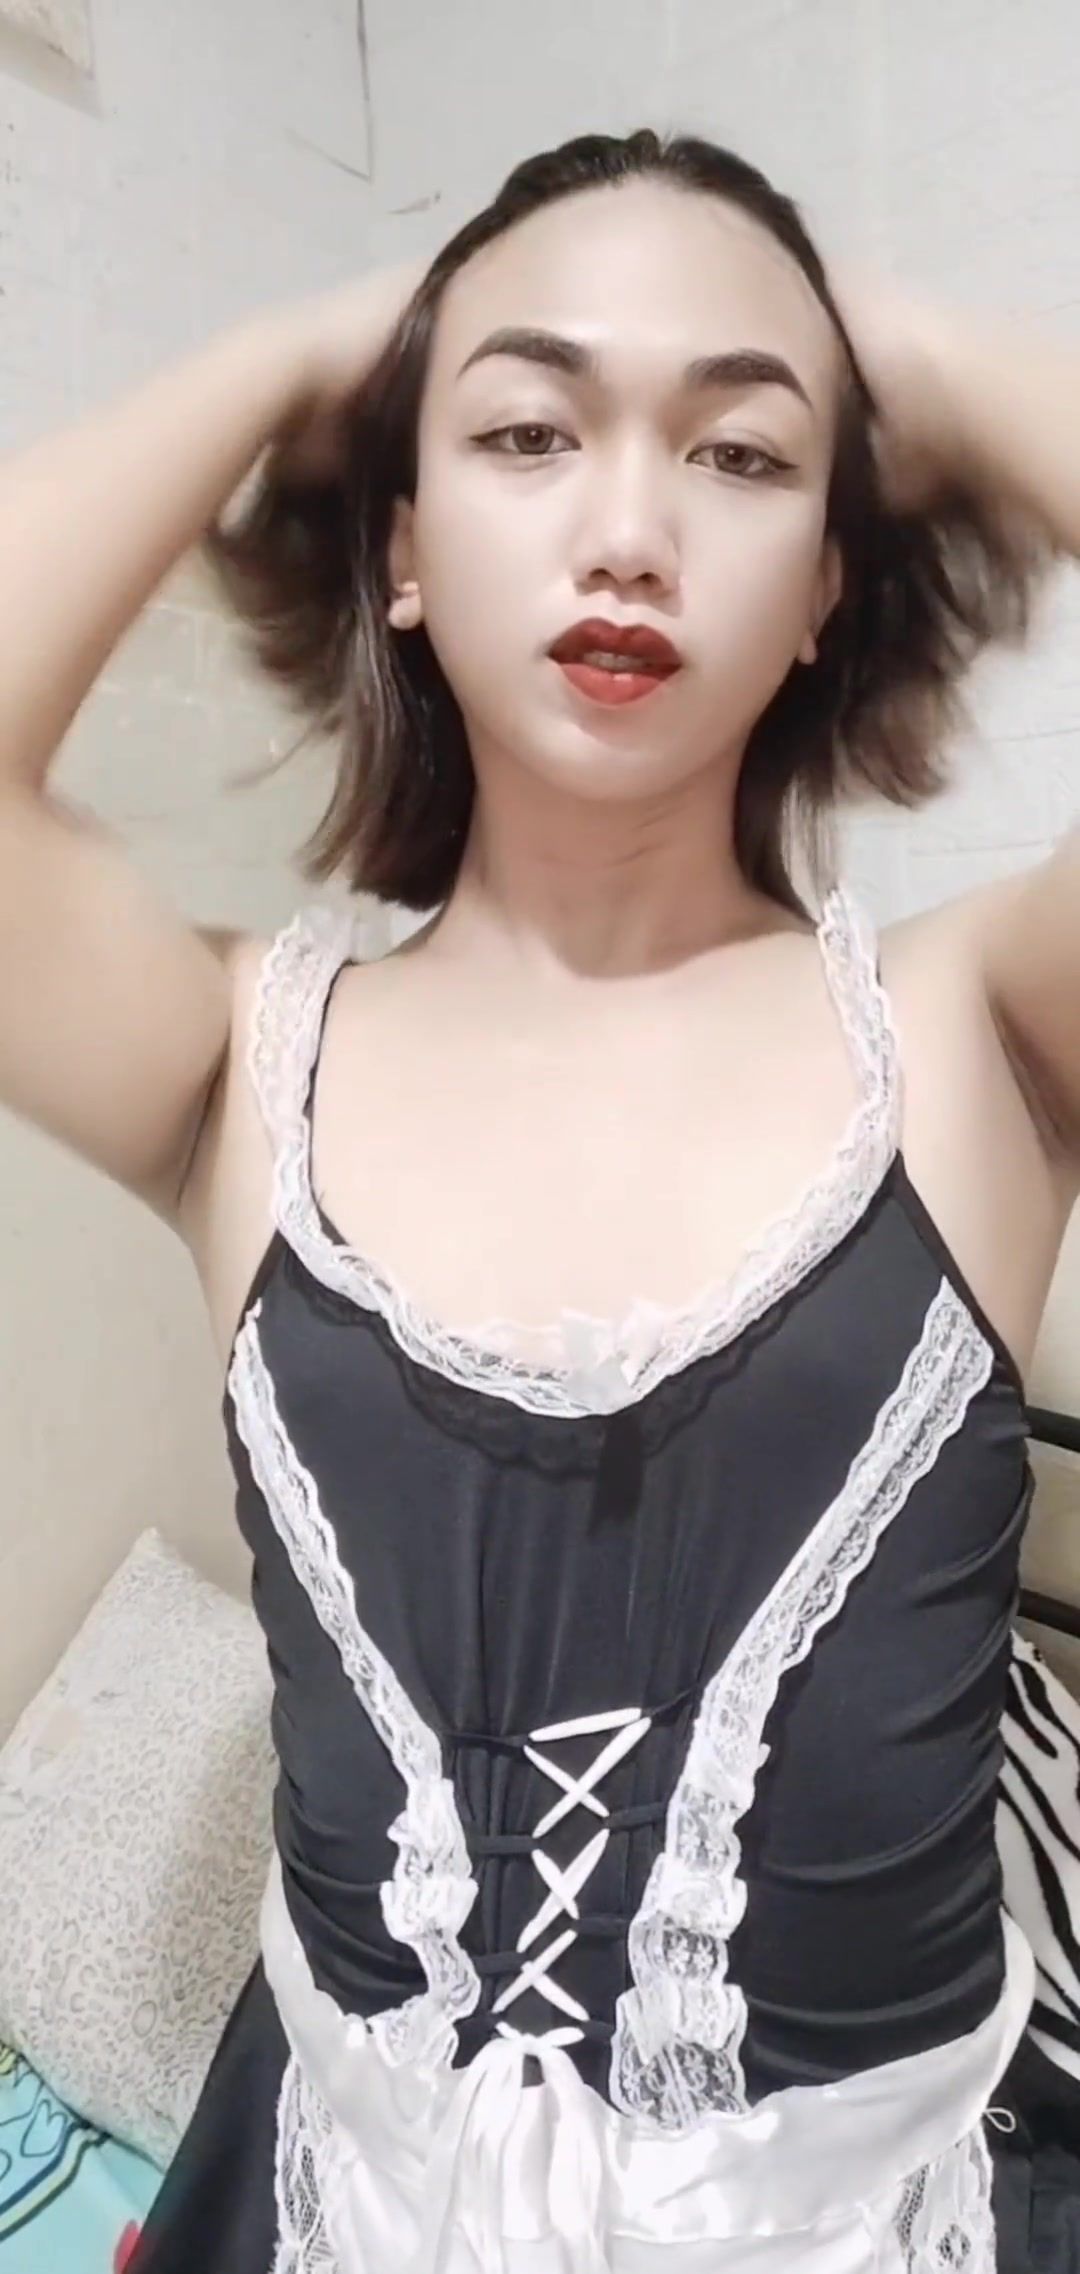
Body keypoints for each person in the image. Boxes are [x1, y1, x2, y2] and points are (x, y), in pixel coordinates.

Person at [2, 120, 1079, 2272]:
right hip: (336, 2197)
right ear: (402, 546)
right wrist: (308, 351)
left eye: (743, 457)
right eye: (524, 430)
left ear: (830, 584)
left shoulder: (974, 1028)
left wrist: (928, 359)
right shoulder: (239, 1059)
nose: (628, 529)